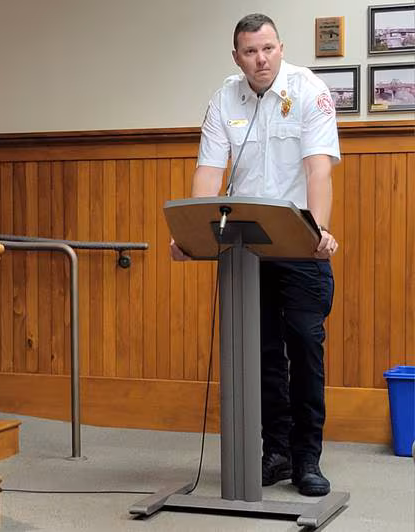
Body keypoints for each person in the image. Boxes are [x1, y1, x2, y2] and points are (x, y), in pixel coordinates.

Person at [170, 13, 339, 497]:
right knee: (260, 353)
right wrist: (193, 232)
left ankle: (308, 458)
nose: (260, 59)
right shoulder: (225, 99)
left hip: (299, 242)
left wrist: (319, 230)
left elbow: (318, 170)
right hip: (245, 246)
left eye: (267, 49)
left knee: (304, 349)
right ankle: (277, 452)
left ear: (280, 47)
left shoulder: (309, 91)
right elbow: (208, 171)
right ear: (236, 56)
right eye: (250, 51)